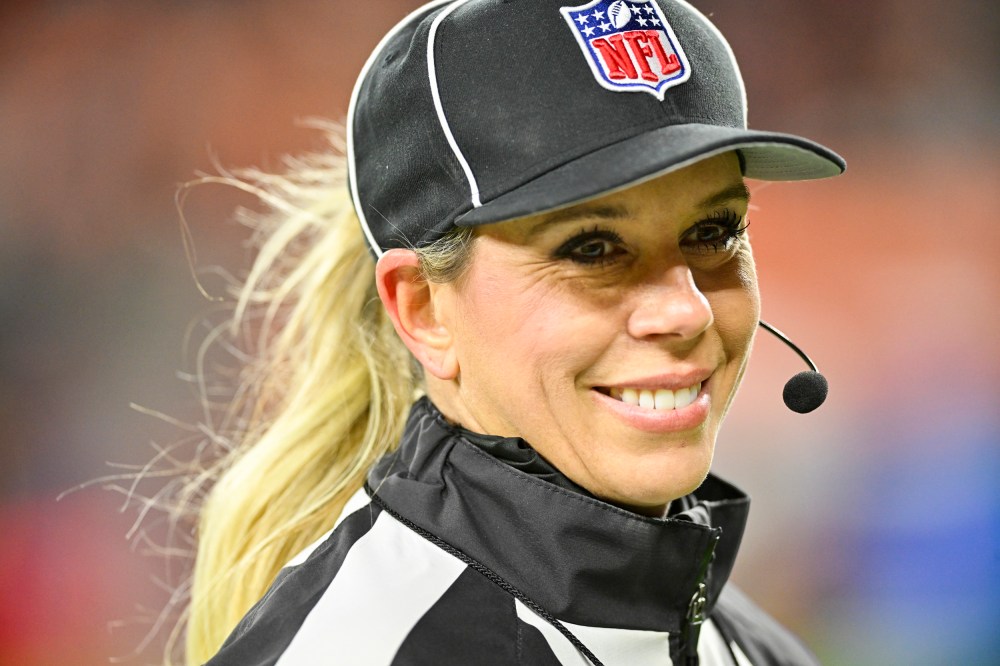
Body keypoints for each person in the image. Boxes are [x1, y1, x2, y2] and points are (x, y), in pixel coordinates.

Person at [183, 1, 845, 664]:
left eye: (714, 232)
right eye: (592, 248)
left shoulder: (751, 646)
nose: (686, 311)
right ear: (423, 310)